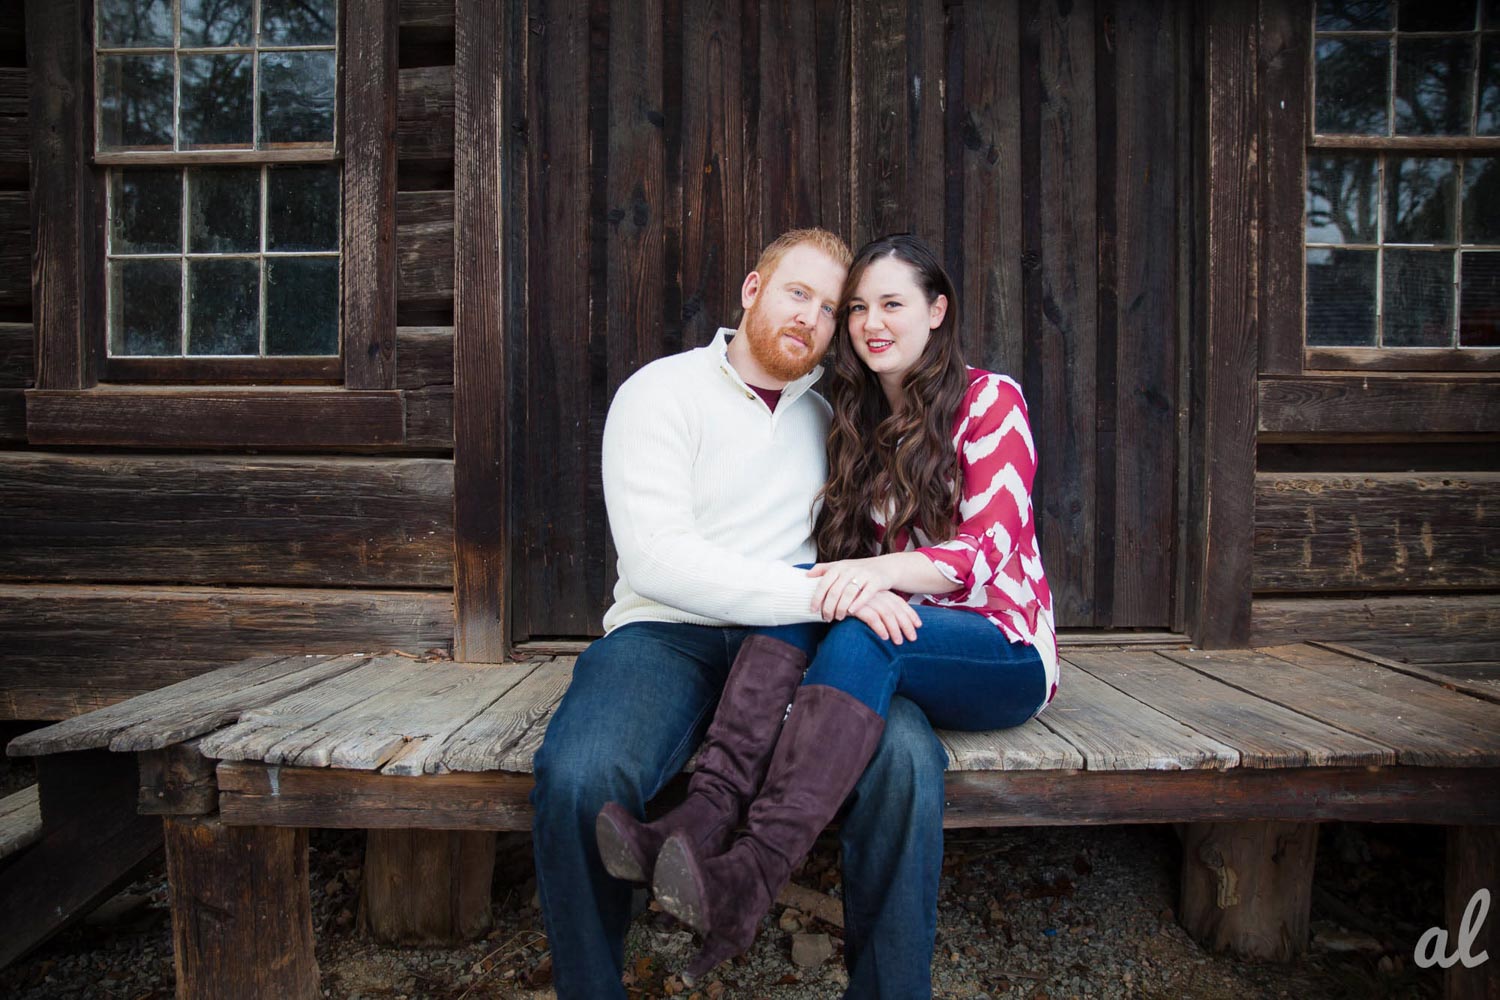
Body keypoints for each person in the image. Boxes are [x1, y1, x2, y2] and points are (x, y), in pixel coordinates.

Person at [605, 233, 1058, 984]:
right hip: (892, 645)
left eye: (892, 305)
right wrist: (836, 582)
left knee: (842, 604)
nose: (870, 323)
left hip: (997, 648)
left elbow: (986, 552)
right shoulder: (857, 425)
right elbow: (830, 578)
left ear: (937, 311)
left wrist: (861, 575)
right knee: (806, 594)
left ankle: (750, 873)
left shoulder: (991, 400)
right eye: (857, 310)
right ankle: (703, 819)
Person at [531, 228, 951, 1000]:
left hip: (803, 645)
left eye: (831, 309)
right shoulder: (660, 392)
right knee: (580, 772)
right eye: (798, 293)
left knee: (908, 763)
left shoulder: (838, 415)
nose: (811, 319)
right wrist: (825, 593)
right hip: (669, 634)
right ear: (753, 292)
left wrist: (864, 595)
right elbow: (658, 559)